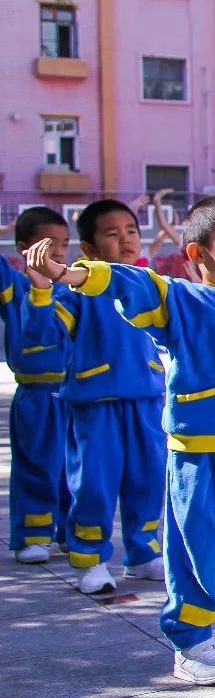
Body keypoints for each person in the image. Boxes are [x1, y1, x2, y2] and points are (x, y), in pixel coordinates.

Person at [26, 196, 215, 686]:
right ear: (198, 255)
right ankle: (192, 640)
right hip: (201, 450)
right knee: (196, 544)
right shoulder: (182, 299)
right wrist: (71, 276)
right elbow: (130, 281)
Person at [21, 200, 167, 595]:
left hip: (147, 400)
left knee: (149, 480)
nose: (125, 239)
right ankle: (90, 559)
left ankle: (143, 553)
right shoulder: (77, 293)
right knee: (94, 484)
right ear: (88, 249)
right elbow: (42, 334)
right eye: (112, 233)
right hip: (95, 405)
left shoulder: (149, 284)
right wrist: (39, 289)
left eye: (131, 231)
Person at [3, 207, 72, 563]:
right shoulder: (14, 286)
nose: (58, 251)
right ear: (22, 247)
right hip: (36, 394)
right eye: (49, 243)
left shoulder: (73, 288)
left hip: (73, 393)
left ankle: (69, 532)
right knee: (36, 464)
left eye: (64, 243)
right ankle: (32, 534)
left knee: (72, 467)